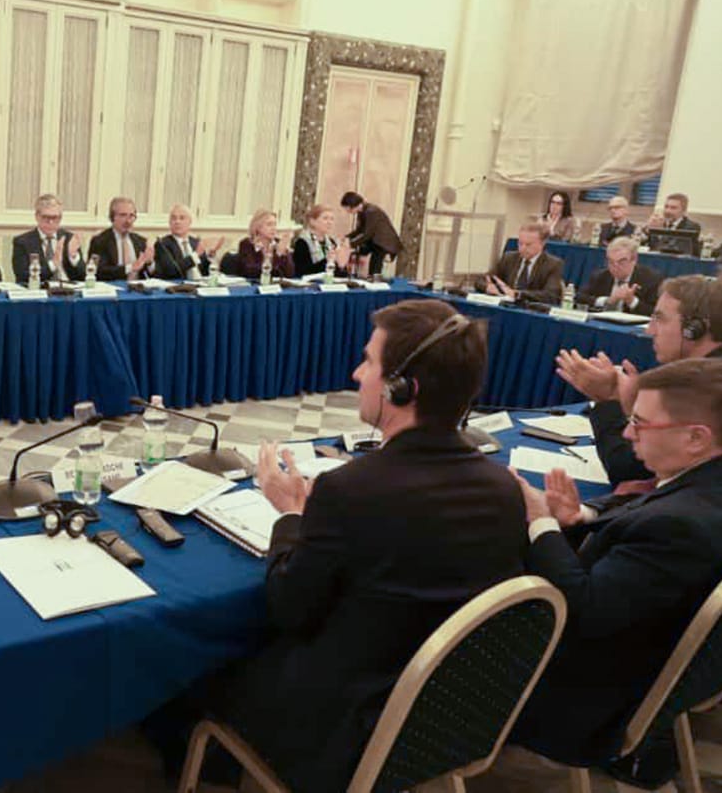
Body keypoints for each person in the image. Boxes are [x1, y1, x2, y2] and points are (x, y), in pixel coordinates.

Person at [154, 299, 524, 793]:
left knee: (195, 660)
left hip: (342, 731)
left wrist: (290, 514)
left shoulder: (349, 490)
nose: (356, 374)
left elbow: (290, 609)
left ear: (401, 388)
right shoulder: (505, 491)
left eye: (369, 361)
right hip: (448, 722)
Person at [507, 358, 722, 783]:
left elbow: (582, 611)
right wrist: (580, 518)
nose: (626, 434)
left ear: (696, 438)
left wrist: (540, 523)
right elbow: (645, 512)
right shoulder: (700, 489)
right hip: (634, 657)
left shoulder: (680, 527)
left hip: (579, 704)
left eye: (639, 423)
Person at [556, 275, 722, 485]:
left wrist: (607, 400)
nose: (649, 330)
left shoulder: (706, 385)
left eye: (660, 319)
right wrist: (634, 407)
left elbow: (627, 468)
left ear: (694, 330)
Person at [576, 236, 662, 316]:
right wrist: (607, 301)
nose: (615, 267)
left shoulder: (651, 279)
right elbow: (579, 297)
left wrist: (632, 301)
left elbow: (655, 312)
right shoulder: (600, 276)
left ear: (634, 260)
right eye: (611, 262)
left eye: (621, 262)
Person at [11, 194, 86, 283]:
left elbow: (83, 276)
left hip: (68, 288)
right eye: (46, 217)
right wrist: (53, 264)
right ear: (37, 217)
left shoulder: (69, 239)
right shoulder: (22, 242)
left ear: (60, 218)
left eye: (55, 217)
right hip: (39, 289)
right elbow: (23, 277)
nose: (51, 222)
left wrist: (73, 257)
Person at [482, 223, 565, 305]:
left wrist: (518, 294)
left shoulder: (553, 264)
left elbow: (551, 295)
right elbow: (482, 279)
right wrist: (487, 287)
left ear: (542, 244)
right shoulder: (509, 258)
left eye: (528, 245)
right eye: (520, 243)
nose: (523, 248)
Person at [88, 197, 154, 281]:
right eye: (123, 215)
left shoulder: (141, 241)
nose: (128, 221)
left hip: (138, 287)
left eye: (131, 216)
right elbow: (98, 271)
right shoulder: (100, 241)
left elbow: (153, 274)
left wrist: (150, 263)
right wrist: (130, 268)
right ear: (112, 217)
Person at [152, 204, 223, 281]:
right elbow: (172, 270)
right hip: (180, 286)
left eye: (182, 218)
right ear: (169, 223)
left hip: (200, 284)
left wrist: (211, 254)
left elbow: (204, 272)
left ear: (190, 222)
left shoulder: (196, 242)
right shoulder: (162, 244)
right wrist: (195, 255)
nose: (177, 222)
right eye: (174, 218)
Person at [341, 191, 401, 276]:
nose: (348, 212)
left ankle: (373, 278)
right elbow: (359, 230)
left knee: (375, 267)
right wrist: (347, 237)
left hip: (383, 243)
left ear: (352, 205)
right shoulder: (362, 212)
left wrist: (351, 244)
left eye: (347, 209)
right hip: (376, 241)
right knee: (360, 251)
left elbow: (367, 234)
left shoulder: (371, 212)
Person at [291, 203, 352, 277]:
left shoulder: (332, 242)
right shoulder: (302, 242)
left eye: (332, 219)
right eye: (325, 218)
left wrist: (341, 266)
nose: (329, 222)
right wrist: (327, 261)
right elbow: (302, 272)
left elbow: (337, 274)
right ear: (312, 221)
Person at [236, 209, 295, 280]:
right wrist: (277, 256)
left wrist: (284, 254)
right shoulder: (247, 244)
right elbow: (250, 272)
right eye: (269, 224)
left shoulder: (279, 243)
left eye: (275, 224)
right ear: (258, 227)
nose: (273, 228)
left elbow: (290, 274)